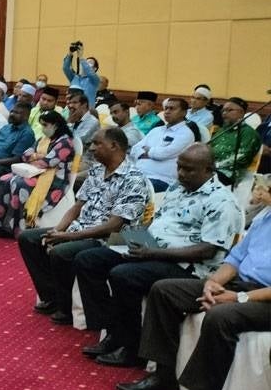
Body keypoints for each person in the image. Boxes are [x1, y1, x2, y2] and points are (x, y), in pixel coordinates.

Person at [73, 143, 243, 365]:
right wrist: (135, 241)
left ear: (209, 169)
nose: (181, 174)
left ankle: (131, 347)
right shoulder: (177, 188)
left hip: (188, 267)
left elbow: (207, 250)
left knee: (123, 275)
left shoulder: (222, 202)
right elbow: (158, 223)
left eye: (189, 169)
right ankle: (113, 330)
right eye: (179, 167)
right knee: (90, 260)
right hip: (152, 249)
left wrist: (152, 253)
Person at [114, 196, 271, 390]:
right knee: (164, 290)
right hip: (242, 284)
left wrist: (238, 298)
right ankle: (164, 377)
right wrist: (213, 283)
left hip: (263, 299)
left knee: (221, 316)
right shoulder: (265, 217)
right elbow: (237, 258)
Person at [16, 127, 150, 324]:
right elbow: (77, 206)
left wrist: (67, 237)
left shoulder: (134, 179)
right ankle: (52, 295)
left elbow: (114, 225)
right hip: (81, 228)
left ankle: (66, 306)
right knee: (28, 238)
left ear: (114, 146)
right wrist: (59, 229)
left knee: (60, 251)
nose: (92, 148)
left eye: (97, 143)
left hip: (109, 238)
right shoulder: (96, 170)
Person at [0, 110, 76, 239]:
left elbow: (48, 162)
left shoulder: (65, 142)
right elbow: (25, 154)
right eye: (42, 125)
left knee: (18, 184)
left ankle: (13, 228)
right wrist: (37, 156)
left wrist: (36, 158)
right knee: (4, 180)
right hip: (34, 172)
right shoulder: (44, 139)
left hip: (53, 179)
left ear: (55, 125)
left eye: (45, 125)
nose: (43, 128)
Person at [129, 97, 195, 192]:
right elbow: (135, 150)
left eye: (172, 109)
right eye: (166, 108)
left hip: (161, 180)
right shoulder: (156, 130)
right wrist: (152, 152)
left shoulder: (186, 134)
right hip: (138, 175)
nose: (167, 111)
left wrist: (148, 151)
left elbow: (163, 154)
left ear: (184, 112)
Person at [209, 97, 261, 187]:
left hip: (229, 174)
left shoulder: (248, 133)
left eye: (229, 110)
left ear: (241, 112)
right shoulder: (222, 130)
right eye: (223, 111)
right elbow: (209, 148)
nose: (224, 113)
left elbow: (242, 156)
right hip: (210, 170)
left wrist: (216, 165)